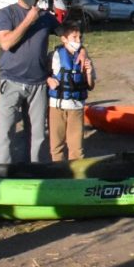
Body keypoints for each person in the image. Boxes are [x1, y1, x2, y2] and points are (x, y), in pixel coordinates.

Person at [0, 0, 59, 164]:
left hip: (38, 83)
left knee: (37, 133)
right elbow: (6, 43)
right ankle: (2, 173)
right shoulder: (7, 14)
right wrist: (29, 19)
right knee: (6, 131)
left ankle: (34, 170)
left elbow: (66, 33)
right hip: (11, 80)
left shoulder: (46, 16)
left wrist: (80, 50)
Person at [47, 20, 96, 161]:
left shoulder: (85, 58)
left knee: (76, 148)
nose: (78, 40)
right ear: (64, 39)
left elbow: (91, 86)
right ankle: (58, 174)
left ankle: (76, 177)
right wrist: (48, 80)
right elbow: (43, 74)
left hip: (76, 107)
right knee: (56, 146)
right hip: (57, 107)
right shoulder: (54, 56)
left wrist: (88, 72)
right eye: (74, 38)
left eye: (80, 37)